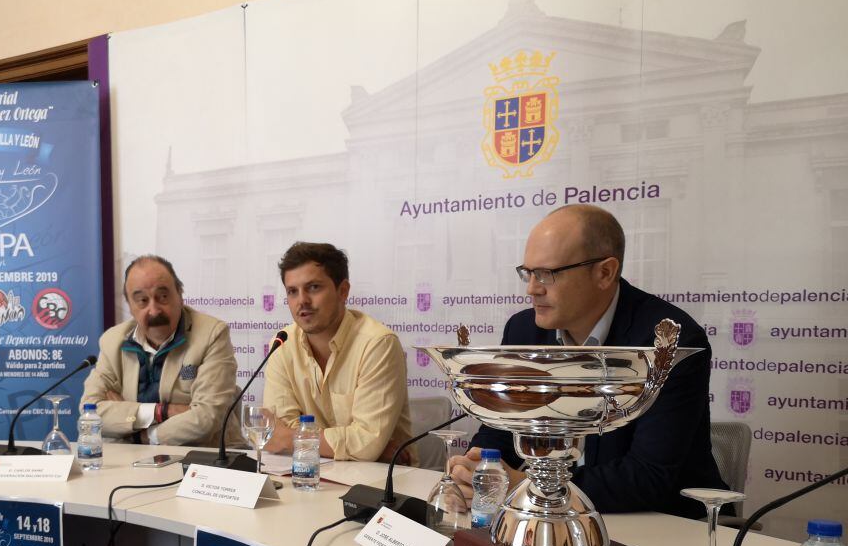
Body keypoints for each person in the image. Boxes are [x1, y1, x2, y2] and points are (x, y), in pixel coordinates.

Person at [450, 204, 725, 518]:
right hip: (542, 519)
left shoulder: (668, 339)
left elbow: (649, 475)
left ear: (604, 272)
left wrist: (529, 487)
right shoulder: (524, 328)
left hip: (654, 523)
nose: (531, 289)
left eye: (546, 274)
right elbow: (499, 427)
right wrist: (477, 471)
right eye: (528, 273)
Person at [262, 242, 415, 463]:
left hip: (381, 481)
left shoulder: (378, 343)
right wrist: (352, 445)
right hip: (309, 472)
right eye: (292, 291)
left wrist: (291, 439)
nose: (302, 300)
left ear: (343, 291)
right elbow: (281, 429)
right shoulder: (282, 343)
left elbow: (366, 442)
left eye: (313, 287)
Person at [81, 255, 238, 446]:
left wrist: (141, 434)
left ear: (180, 295)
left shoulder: (211, 334)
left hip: (201, 459)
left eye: (163, 297)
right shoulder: (112, 341)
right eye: (142, 300)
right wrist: (161, 411)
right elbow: (90, 415)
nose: (154, 310)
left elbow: (207, 418)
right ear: (129, 306)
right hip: (131, 462)